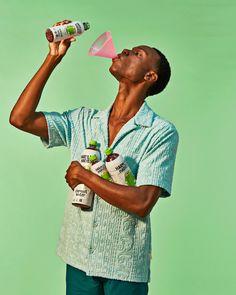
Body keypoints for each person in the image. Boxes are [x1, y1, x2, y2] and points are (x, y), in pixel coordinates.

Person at [9, 20, 179, 295]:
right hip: (78, 260)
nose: (124, 50)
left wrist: (84, 176)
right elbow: (20, 118)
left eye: (137, 53)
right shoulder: (83, 120)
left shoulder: (160, 132)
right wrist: (53, 57)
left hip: (124, 269)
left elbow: (142, 202)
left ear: (150, 77)